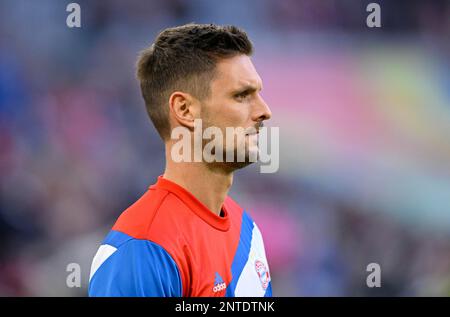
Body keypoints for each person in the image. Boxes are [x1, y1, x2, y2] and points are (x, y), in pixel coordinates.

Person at [88, 23, 273, 297]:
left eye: (258, 93)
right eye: (241, 96)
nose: (264, 111)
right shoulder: (143, 247)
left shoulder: (247, 229)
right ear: (185, 110)